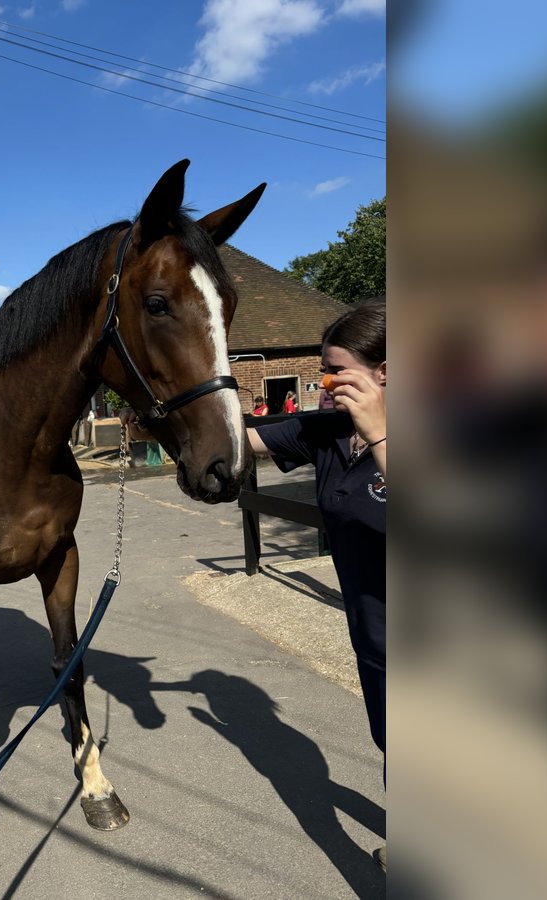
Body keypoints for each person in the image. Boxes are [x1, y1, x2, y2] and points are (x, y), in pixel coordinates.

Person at [246, 297, 386, 867]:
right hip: (377, 639)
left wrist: (380, 433)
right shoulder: (330, 432)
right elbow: (241, 438)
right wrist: (159, 406)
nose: (324, 382)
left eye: (336, 370)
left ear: (386, 373)